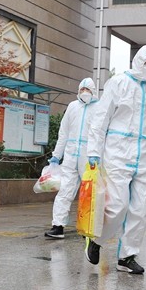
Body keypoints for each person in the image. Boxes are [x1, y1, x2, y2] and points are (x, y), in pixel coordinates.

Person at [84, 45, 146, 275]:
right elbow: (101, 118)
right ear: (137, 61)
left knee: (140, 210)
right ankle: (96, 240)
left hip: (143, 155)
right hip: (118, 153)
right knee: (118, 206)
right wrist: (94, 150)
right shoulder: (118, 83)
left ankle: (127, 257)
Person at [44, 78, 99, 239]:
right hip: (70, 156)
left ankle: (88, 227)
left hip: (89, 157)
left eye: (88, 90)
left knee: (89, 194)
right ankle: (58, 226)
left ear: (93, 91)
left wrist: (97, 154)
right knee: (64, 191)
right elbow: (64, 133)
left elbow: (102, 134)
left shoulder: (99, 108)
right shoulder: (72, 107)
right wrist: (56, 155)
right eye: (82, 89)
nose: (84, 92)